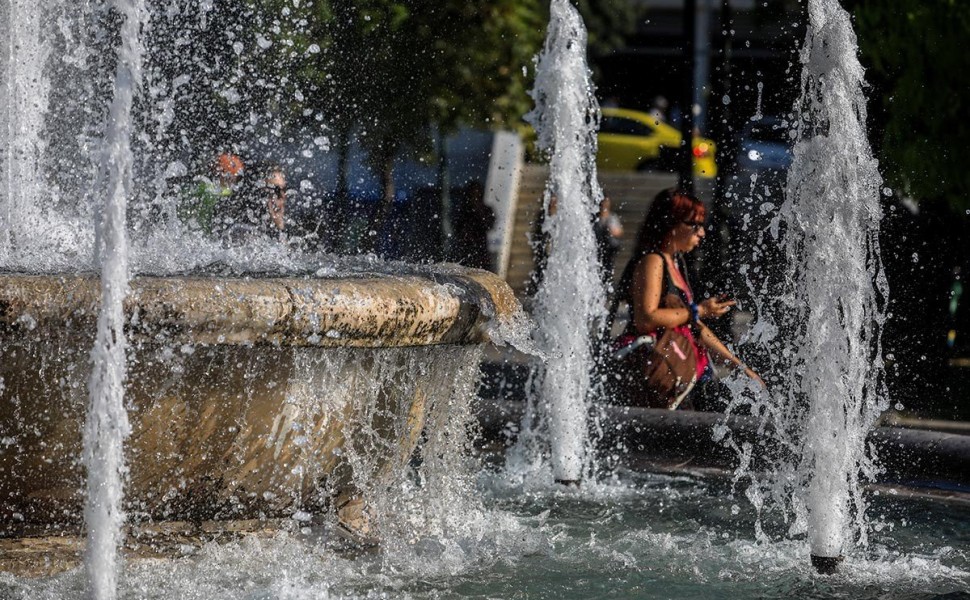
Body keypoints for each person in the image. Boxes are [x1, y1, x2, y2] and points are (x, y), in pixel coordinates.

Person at [611, 188, 764, 409]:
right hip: (660, 373)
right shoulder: (653, 261)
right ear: (670, 224)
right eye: (694, 225)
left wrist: (738, 367)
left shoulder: (675, 263)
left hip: (683, 374)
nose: (701, 233)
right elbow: (646, 317)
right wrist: (698, 311)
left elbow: (695, 326)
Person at [181, 152, 244, 234]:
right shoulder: (222, 192)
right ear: (223, 174)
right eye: (234, 177)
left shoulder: (200, 184)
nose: (235, 181)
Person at [594, 196, 623, 290]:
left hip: (610, 248)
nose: (604, 205)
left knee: (608, 268)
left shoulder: (612, 217)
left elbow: (619, 231)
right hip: (598, 248)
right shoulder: (595, 217)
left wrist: (610, 230)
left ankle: (605, 287)